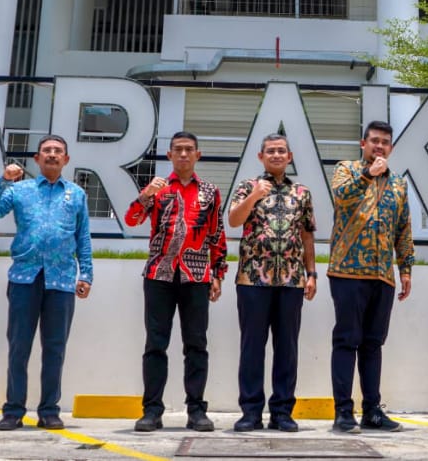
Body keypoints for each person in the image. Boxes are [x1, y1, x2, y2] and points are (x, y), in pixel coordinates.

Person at [0, 135, 92, 431]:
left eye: (58, 151)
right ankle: (13, 410)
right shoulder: (20, 189)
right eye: (47, 151)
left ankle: (49, 410)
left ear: (66, 159)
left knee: (55, 348)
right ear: (37, 159)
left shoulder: (77, 194)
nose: (52, 155)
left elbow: (83, 238)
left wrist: (87, 275)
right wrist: (3, 180)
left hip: (62, 281)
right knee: (19, 346)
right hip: (24, 278)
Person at [125, 131, 227, 433]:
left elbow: (216, 235)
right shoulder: (158, 189)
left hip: (196, 275)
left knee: (196, 345)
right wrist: (146, 195)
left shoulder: (210, 191)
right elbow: (132, 220)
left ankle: (196, 410)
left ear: (198, 154)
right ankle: (151, 411)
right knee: (155, 344)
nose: (183, 154)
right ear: (169, 155)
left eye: (189, 150)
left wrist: (218, 274)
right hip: (159, 274)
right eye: (178, 150)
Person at [327, 120, 414, 434]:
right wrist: (368, 174)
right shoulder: (347, 169)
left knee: (373, 344)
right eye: (374, 141)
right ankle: (342, 412)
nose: (379, 146)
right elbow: (341, 197)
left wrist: (405, 268)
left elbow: (403, 228)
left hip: (382, 274)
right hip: (346, 270)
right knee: (347, 341)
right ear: (363, 144)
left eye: (385, 142)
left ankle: (372, 410)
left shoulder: (399, 184)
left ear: (390, 147)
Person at [226, 133, 317, 433]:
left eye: (281, 151)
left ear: (289, 157)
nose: (276, 155)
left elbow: (306, 234)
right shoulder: (247, 187)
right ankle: (251, 412)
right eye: (270, 151)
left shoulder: (302, 192)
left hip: (291, 280)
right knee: (252, 347)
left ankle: (282, 412)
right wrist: (254, 196)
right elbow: (234, 221)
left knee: (287, 348)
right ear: (260, 156)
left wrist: (311, 273)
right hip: (252, 279)